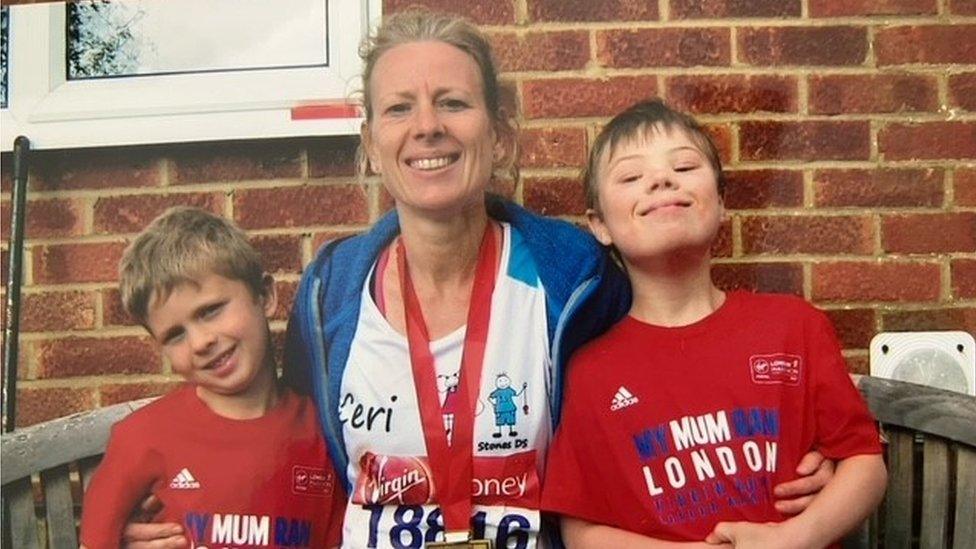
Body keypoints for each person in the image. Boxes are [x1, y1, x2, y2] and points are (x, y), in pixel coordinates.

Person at [119, 10, 835, 548]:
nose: (427, 126)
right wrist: (175, 512)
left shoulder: (576, 275)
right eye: (400, 107)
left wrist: (808, 462)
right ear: (371, 143)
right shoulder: (329, 290)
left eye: (453, 103)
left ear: (499, 134)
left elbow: (670, 368)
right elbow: (284, 438)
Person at [540, 99, 887, 548]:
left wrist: (793, 539)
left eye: (684, 167)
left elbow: (865, 462)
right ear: (600, 225)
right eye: (630, 176)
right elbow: (582, 530)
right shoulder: (590, 370)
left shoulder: (794, 327)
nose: (662, 179)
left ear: (721, 204)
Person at [80, 207, 345, 549]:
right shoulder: (142, 438)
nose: (201, 341)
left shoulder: (324, 432)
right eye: (175, 335)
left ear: (264, 296)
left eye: (210, 311)